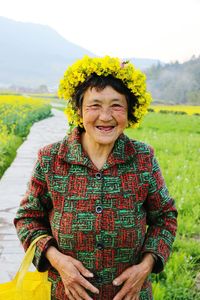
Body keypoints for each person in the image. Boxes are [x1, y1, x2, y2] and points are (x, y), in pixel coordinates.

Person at [14, 56, 178, 300]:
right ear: (79, 111)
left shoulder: (143, 158)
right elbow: (28, 218)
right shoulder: (51, 159)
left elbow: (165, 217)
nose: (105, 116)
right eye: (94, 105)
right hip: (65, 293)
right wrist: (56, 260)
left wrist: (146, 266)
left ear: (130, 112)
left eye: (116, 105)